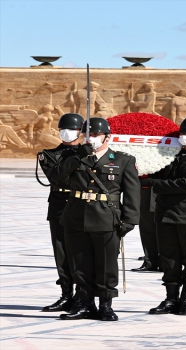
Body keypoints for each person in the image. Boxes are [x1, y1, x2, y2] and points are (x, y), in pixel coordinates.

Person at [51, 117, 140, 321]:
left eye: (95, 134)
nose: (90, 138)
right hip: (75, 218)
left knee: (106, 264)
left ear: (108, 136)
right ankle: (84, 304)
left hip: (106, 218)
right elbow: (55, 177)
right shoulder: (75, 157)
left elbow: (133, 193)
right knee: (80, 264)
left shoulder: (123, 160)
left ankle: (105, 304)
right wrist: (78, 155)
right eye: (87, 134)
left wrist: (130, 219)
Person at [142, 116, 186, 316]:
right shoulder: (169, 156)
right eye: (183, 134)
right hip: (165, 213)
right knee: (168, 259)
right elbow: (153, 174)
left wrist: (152, 184)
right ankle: (171, 298)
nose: (185, 138)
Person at [37, 113, 84, 312]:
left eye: (72, 130)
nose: (66, 133)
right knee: (62, 251)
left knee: (81, 251)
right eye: (63, 129)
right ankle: (66, 295)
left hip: (82, 205)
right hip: (59, 204)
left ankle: (83, 295)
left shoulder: (90, 153)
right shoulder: (48, 155)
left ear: (81, 132)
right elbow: (57, 178)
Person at [132, 177, 161, 272]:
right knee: (146, 229)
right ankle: (150, 261)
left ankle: (165, 262)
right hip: (145, 190)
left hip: (163, 190)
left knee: (166, 232)